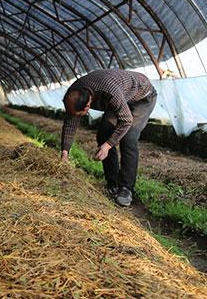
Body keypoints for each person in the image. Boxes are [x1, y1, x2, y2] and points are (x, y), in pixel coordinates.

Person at [60, 69, 157, 207]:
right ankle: (112, 183)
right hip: (122, 95)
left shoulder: (109, 92)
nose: (78, 117)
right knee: (104, 134)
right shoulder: (75, 93)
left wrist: (108, 145)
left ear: (88, 106)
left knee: (128, 138)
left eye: (80, 114)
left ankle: (126, 188)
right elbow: (70, 123)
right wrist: (65, 152)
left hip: (142, 97)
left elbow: (126, 121)